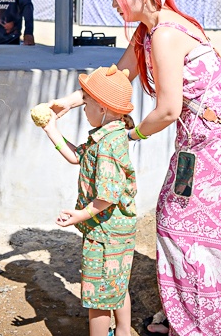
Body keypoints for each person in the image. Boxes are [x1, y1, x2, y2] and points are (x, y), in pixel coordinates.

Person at [50, 0, 221, 336]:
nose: (112, 3)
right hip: (195, 149)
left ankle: (202, 327)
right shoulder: (148, 32)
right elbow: (118, 74)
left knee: (191, 240)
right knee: (174, 228)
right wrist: (70, 103)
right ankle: (181, 321)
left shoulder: (165, 34)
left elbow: (169, 109)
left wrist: (130, 133)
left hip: (215, 154)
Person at [39, 64, 138, 336]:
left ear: (103, 108)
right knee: (117, 285)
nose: (83, 108)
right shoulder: (111, 136)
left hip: (104, 233)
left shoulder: (107, 145)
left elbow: (107, 197)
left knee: (97, 299)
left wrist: (79, 215)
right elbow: (76, 157)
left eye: (86, 102)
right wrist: (51, 128)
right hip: (118, 232)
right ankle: (124, 332)